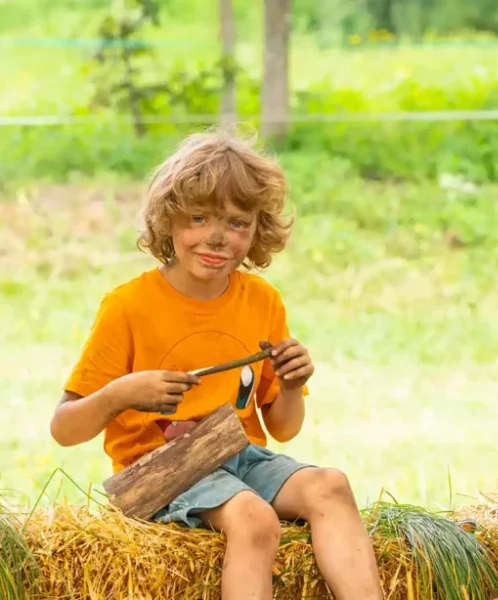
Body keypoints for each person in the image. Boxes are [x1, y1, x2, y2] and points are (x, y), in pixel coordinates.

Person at [50, 130, 384, 600]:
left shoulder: (262, 301)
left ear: (257, 230)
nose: (216, 237)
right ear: (168, 222)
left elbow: (283, 429)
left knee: (330, 485)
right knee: (253, 518)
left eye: (236, 223)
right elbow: (64, 429)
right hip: (156, 468)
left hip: (237, 456)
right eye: (198, 218)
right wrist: (122, 393)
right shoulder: (129, 306)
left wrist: (291, 385)